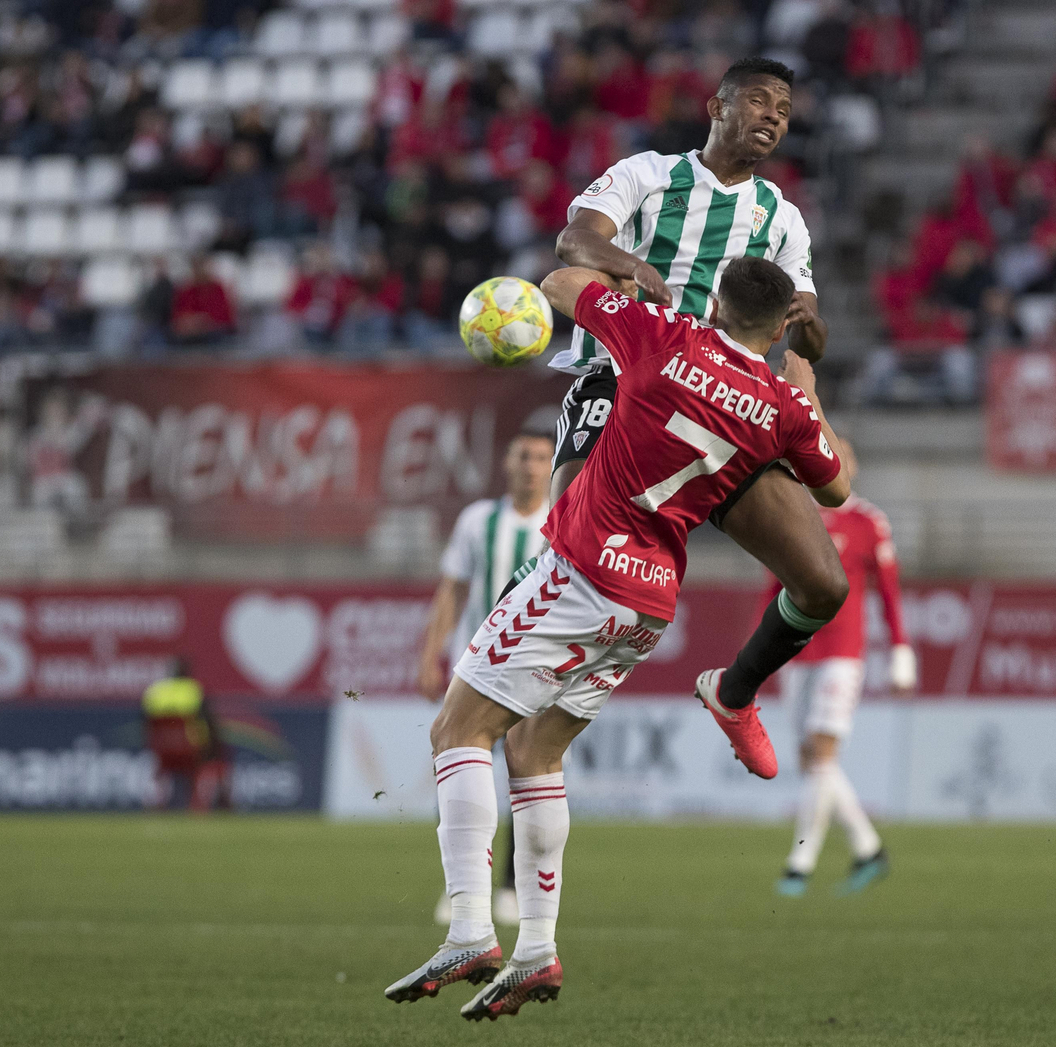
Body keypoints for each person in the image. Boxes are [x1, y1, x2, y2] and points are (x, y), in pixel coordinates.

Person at [384, 258, 849, 1021]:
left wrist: (626, 278)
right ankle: (536, 948)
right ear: (779, 322)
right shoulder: (780, 407)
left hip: (581, 571)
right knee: (536, 752)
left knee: (455, 730)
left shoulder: (663, 337)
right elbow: (832, 486)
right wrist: (801, 374)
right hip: (648, 603)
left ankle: (469, 927)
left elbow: (561, 284)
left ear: (718, 301)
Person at [536, 56, 848, 782]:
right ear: (716, 105)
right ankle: (524, 737)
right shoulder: (649, 173)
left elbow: (810, 335)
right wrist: (628, 262)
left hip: (718, 410)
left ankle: (733, 692)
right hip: (622, 383)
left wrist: (810, 326)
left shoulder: (782, 217)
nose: (774, 117)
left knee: (823, 583)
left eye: (784, 111)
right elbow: (574, 242)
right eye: (760, 102)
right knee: (569, 572)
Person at [417, 429, 555, 931]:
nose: (532, 466)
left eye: (542, 457)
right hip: (473, 664)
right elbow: (452, 590)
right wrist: (430, 652)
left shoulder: (560, 520)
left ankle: (512, 889)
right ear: (507, 462)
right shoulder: (478, 520)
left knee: (526, 771)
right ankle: (461, 888)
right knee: (457, 768)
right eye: (524, 455)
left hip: (537, 667)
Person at [771, 437, 914, 898]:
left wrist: (901, 651)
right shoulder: (793, 515)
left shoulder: (867, 521)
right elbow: (772, 588)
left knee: (822, 752)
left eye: (843, 456)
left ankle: (799, 864)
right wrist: (761, 650)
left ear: (850, 466)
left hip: (842, 654)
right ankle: (869, 849)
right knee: (812, 761)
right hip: (796, 651)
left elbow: (890, 593)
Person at [141, 658, 230, 811]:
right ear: (187, 673)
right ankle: (210, 803)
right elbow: (209, 722)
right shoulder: (193, 691)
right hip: (190, 751)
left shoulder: (155, 692)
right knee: (217, 754)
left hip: (163, 752)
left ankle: (157, 802)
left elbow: (146, 723)